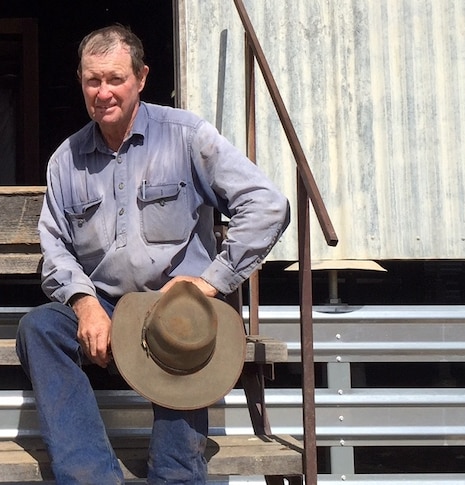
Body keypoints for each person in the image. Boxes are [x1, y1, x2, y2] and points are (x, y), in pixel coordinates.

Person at [15, 24, 290, 485]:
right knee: (38, 328)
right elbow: (55, 245)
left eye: (115, 79)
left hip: (176, 307)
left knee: (186, 335)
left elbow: (267, 204)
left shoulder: (185, 136)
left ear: (141, 78)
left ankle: (176, 472)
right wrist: (84, 305)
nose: (103, 92)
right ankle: (90, 476)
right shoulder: (66, 159)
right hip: (105, 304)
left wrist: (209, 283)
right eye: (92, 80)